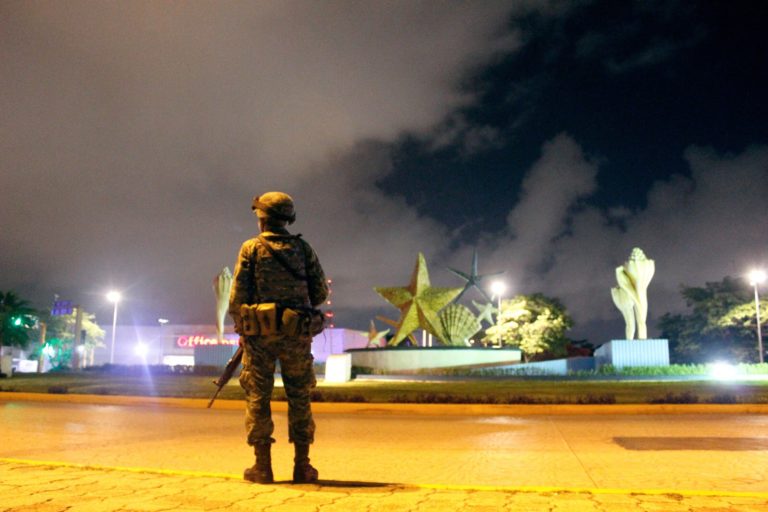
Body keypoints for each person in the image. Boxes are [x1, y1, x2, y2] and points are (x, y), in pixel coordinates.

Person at [229, 191, 329, 484]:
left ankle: (262, 467)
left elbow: (237, 298)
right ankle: (303, 466)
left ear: (262, 218)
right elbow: (320, 293)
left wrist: (244, 326)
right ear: (289, 218)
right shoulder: (303, 249)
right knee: (300, 397)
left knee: (258, 397)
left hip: (260, 338)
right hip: (297, 336)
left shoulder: (251, 248)